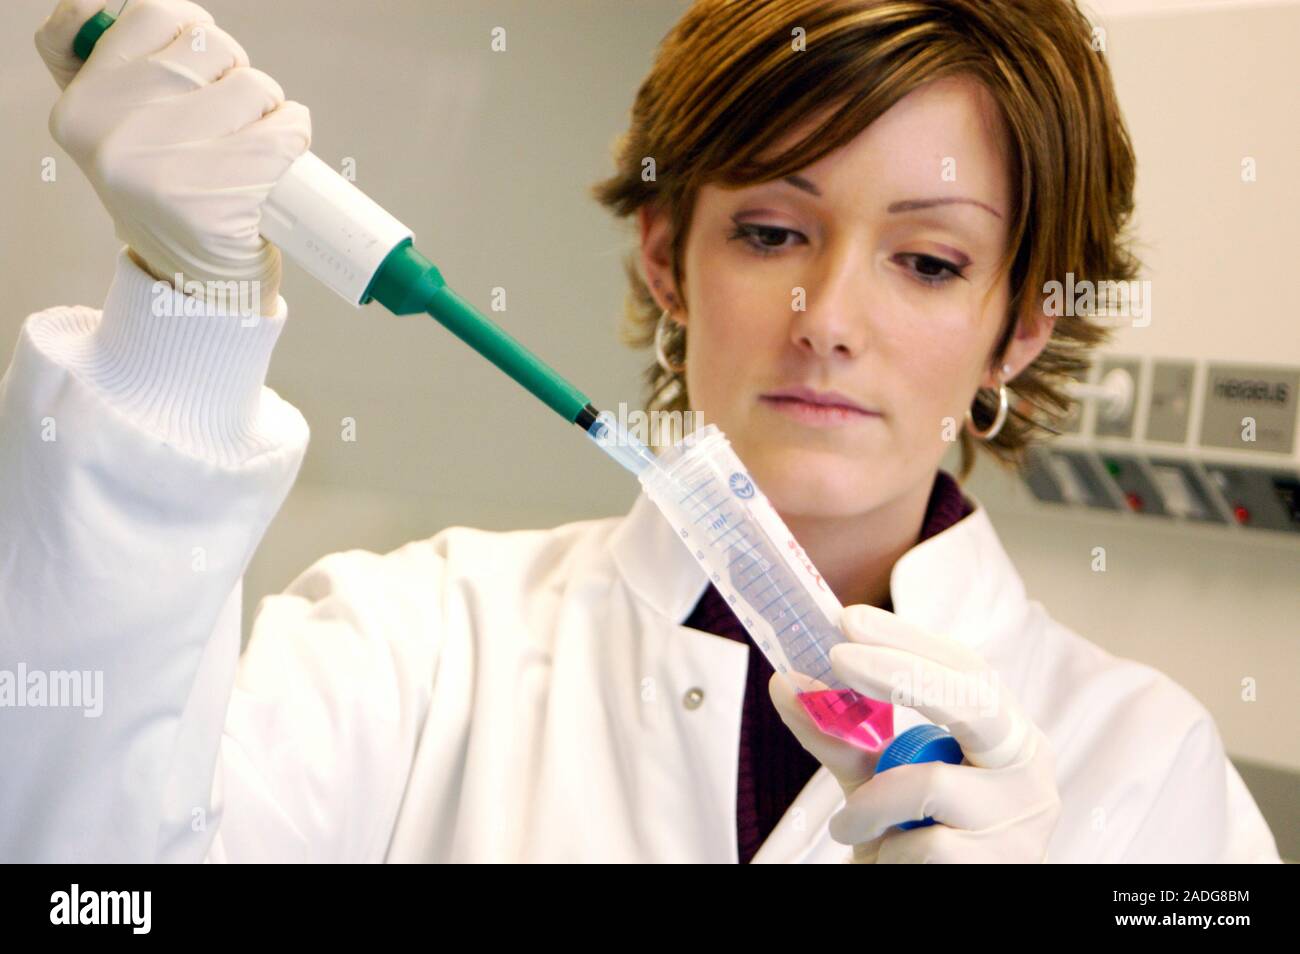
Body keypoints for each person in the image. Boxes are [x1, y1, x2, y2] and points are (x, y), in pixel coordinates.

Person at [0, 0, 1279, 863]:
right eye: (772, 233)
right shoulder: (417, 642)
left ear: (1021, 329)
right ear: (669, 260)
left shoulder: (1148, 761)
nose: (825, 318)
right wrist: (184, 331)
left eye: (930, 262)